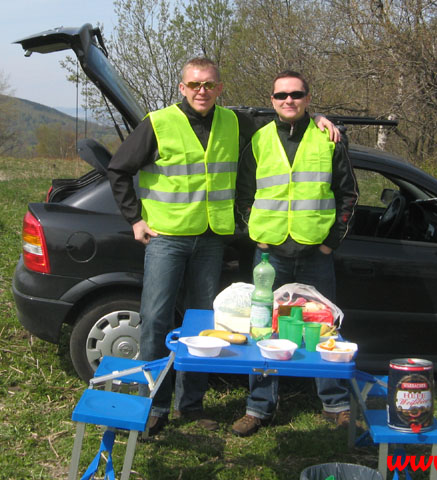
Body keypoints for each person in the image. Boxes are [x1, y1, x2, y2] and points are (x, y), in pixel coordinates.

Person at [107, 58, 340, 436]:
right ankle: (153, 405)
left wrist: (318, 120)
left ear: (220, 88)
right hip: (167, 238)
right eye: (195, 85)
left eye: (210, 85)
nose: (202, 91)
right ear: (181, 87)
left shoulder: (234, 122)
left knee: (202, 326)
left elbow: (284, 122)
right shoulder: (158, 122)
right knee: (156, 322)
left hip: (213, 239)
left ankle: (190, 405)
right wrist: (134, 218)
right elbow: (118, 169)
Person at [232, 70, 358, 437]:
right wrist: (253, 233)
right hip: (270, 256)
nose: (289, 100)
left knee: (324, 330)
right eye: (281, 95)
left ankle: (335, 405)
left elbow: (349, 194)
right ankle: (258, 408)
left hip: (315, 251)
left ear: (308, 97)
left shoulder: (328, 138)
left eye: (296, 94)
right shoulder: (257, 138)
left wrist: (330, 242)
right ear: (271, 100)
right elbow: (242, 192)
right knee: (262, 329)